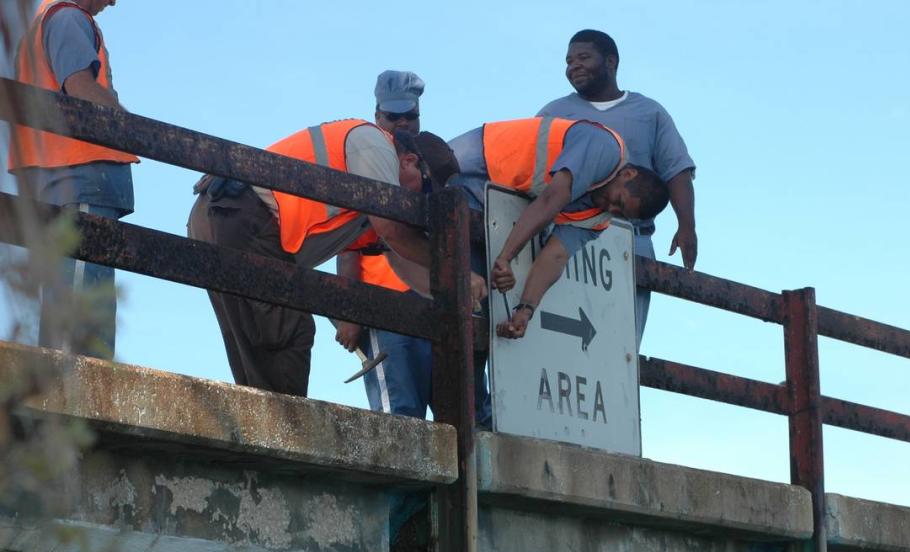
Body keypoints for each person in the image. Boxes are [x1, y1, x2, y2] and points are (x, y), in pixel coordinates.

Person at [187, 119, 485, 397]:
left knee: (255, 345)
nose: (421, 203)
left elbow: (400, 257)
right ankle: (283, 442)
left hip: (224, 215)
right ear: (409, 161)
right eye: (426, 189)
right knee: (288, 332)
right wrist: (459, 271)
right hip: (239, 213)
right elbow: (395, 234)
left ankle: (262, 444)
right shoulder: (374, 145)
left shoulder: (372, 200)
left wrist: (452, 290)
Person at [336, 71, 491, 425]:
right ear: (378, 117)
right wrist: (348, 313)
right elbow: (347, 242)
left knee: (470, 414)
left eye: (410, 116)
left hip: (437, 304)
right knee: (401, 416)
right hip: (386, 305)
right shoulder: (364, 157)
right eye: (393, 117)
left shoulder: (434, 160)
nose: (402, 123)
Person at [537, 29, 697, 346]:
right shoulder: (554, 113)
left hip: (629, 239)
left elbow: (676, 169)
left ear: (610, 61)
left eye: (584, 57)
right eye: (569, 61)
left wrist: (687, 226)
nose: (574, 66)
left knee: (620, 346)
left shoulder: (649, 112)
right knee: (556, 339)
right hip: (567, 236)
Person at [448, 116, 668, 340]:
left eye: (620, 212)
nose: (611, 208)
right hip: (479, 159)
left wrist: (525, 310)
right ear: (628, 174)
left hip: (492, 202)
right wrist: (506, 257)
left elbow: (556, 256)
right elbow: (551, 199)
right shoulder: (605, 148)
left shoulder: (598, 219)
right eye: (618, 200)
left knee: (471, 306)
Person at [7, 0, 138, 359]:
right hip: (80, 176)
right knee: (79, 326)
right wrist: (137, 131)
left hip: (64, 179)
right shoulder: (66, 18)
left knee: (72, 305)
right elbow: (80, 88)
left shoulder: (45, 22)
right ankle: (70, 399)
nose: (114, 1)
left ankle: (66, 396)